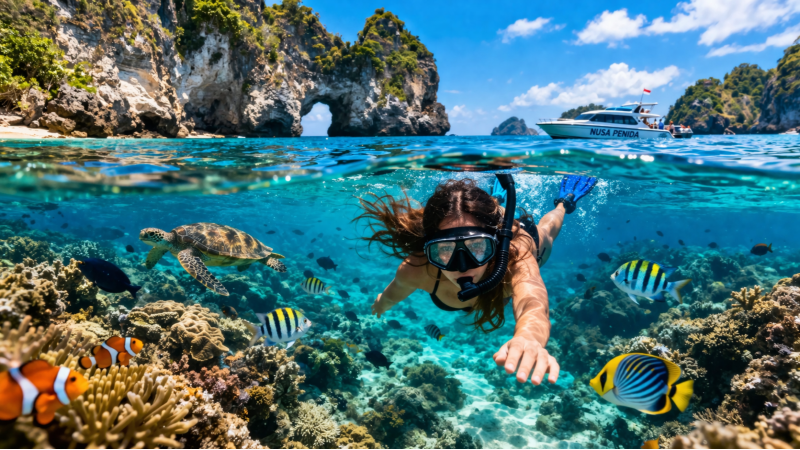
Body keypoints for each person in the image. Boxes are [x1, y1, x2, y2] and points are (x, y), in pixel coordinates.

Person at [357, 175, 598, 385]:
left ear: (495, 244)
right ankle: (494, 204)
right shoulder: (417, 269)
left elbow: (532, 301)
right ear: (428, 249)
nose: (463, 265)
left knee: (547, 230)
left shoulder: (516, 254)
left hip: (522, 239)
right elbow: (391, 294)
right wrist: (381, 304)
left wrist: (529, 336)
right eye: (444, 250)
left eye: (477, 247)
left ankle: (564, 201)